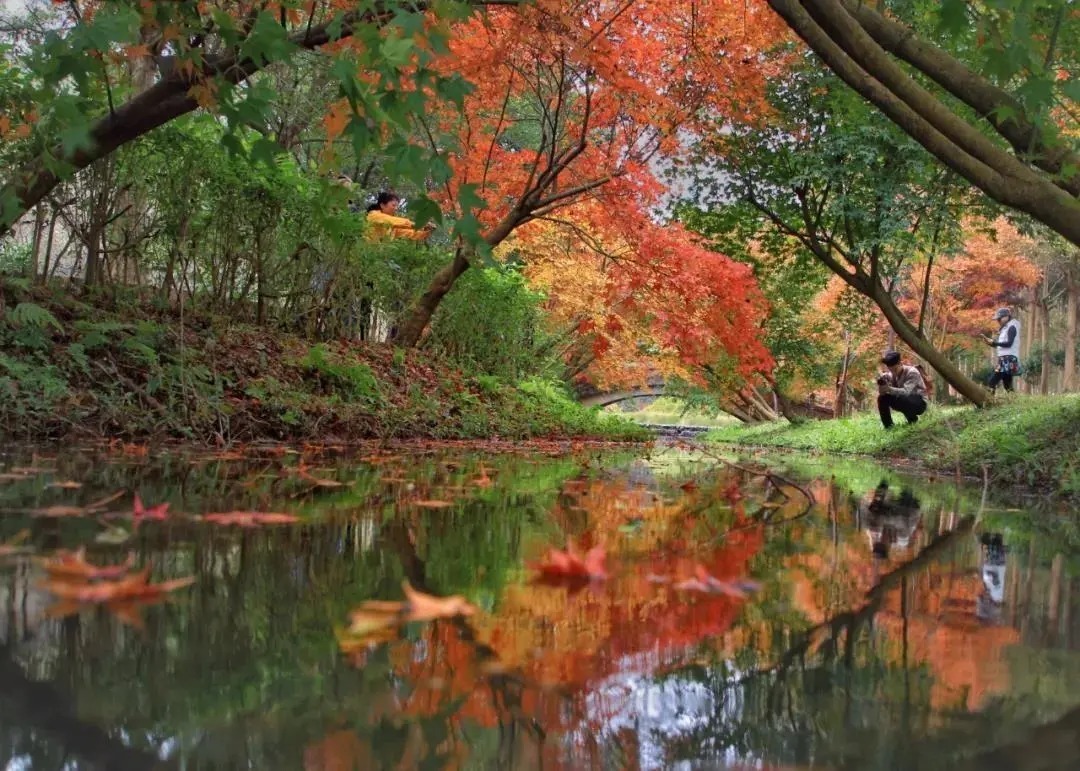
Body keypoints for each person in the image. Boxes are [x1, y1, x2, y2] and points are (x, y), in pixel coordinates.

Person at [876, 351, 928, 429]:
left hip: (920, 403)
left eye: (895, 370)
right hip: (906, 400)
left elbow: (906, 392)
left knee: (901, 397)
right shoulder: (890, 375)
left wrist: (889, 389)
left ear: (900, 363)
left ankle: (912, 418)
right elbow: (884, 390)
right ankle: (888, 426)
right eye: (891, 370)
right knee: (882, 398)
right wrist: (882, 386)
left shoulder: (912, 372)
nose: (893, 373)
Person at [983, 307, 1021, 393]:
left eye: (999, 319)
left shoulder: (1012, 327)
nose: (998, 321)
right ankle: (1015, 402)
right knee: (1007, 385)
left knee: (992, 382)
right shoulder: (1005, 328)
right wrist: (992, 344)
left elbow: (1009, 343)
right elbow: (1003, 346)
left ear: (1006, 317)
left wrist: (995, 343)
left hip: (1008, 359)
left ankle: (988, 402)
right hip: (1004, 358)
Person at [365, 192, 432, 241]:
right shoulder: (373, 215)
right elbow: (393, 221)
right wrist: (420, 225)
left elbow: (410, 234)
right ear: (382, 205)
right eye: (393, 205)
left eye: (397, 206)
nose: (396, 208)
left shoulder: (393, 227)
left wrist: (427, 232)